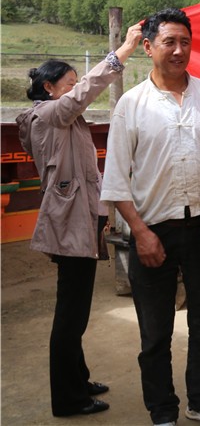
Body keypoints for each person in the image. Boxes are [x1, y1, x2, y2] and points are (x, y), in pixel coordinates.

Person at [101, 8, 200, 426]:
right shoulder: (131, 104)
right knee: (155, 331)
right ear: (148, 47)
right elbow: (116, 181)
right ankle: (162, 411)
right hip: (152, 232)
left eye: (185, 42)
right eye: (169, 42)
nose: (179, 50)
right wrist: (140, 232)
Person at [16, 25, 142, 417]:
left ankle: (78, 378)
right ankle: (68, 399)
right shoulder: (49, 115)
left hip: (76, 221)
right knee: (71, 315)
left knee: (75, 311)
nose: (75, 90)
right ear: (49, 88)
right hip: (68, 224)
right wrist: (124, 50)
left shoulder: (61, 119)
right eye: (69, 84)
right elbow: (85, 92)